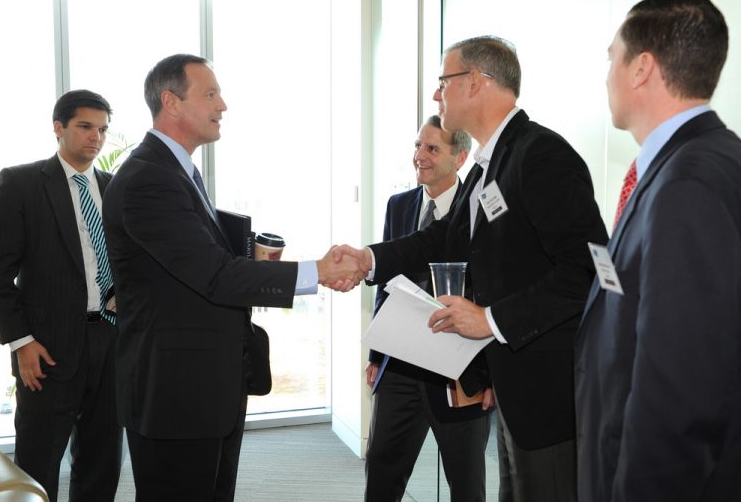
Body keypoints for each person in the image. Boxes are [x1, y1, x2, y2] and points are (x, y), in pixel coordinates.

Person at [335, 36, 607, 502]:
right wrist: (369, 260)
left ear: (477, 82)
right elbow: (442, 239)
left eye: (444, 81)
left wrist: (489, 320)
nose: (437, 94)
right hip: (511, 389)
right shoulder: (486, 166)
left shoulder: (540, 154)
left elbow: (585, 270)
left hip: (545, 394)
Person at [101, 54, 363, 502]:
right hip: (176, 397)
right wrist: (316, 272)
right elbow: (215, 275)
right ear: (171, 102)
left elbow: (195, 264)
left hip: (205, 390)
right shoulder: (149, 179)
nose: (223, 105)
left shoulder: (175, 171)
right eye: (210, 94)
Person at [575, 0, 741, 501]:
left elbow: (681, 393)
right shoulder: (705, 160)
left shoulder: (687, 184)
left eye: (612, 58)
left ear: (642, 68)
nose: (606, 76)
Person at [0, 89, 122, 502]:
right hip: (47, 349)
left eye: (102, 130)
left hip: (110, 340)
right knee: (38, 463)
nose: (95, 137)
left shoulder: (114, 188)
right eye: (85, 127)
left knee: (102, 461)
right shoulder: (20, 183)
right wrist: (21, 342)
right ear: (58, 128)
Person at [365, 115, 490, 501]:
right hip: (400, 364)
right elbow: (387, 285)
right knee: (381, 472)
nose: (420, 155)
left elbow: (493, 292)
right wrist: (376, 354)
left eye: (432, 148)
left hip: (459, 369)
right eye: (418, 146)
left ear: (461, 157)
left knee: (466, 483)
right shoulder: (399, 206)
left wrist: (492, 376)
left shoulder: (480, 211)